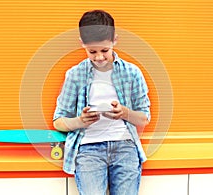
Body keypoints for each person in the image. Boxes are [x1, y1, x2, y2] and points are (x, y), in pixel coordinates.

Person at [53, 10, 151, 195]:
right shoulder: (74, 75)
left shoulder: (132, 73)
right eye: (92, 51)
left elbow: (144, 118)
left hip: (125, 147)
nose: (99, 57)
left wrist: (124, 113)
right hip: (88, 149)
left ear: (115, 40)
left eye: (104, 50)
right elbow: (58, 121)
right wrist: (80, 121)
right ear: (82, 44)